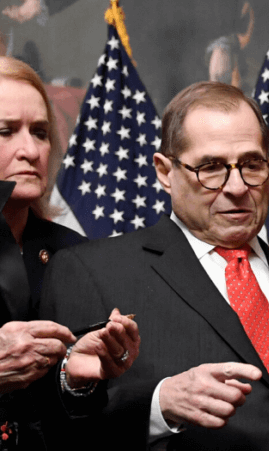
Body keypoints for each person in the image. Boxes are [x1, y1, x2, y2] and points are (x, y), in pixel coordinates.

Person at [40, 81, 269, 450]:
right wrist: (160, 404)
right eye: (211, 167)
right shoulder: (92, 272)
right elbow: (62, 430)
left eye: (252, 164)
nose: (237, 187)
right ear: (165, 171)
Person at [0, 55, 140, 450]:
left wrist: (75, 380)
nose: (30, 149)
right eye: (5, 131)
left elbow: (84, 423)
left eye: (40, 132)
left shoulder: (75, 254)